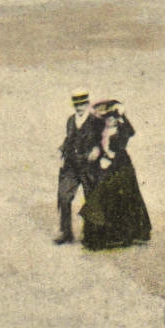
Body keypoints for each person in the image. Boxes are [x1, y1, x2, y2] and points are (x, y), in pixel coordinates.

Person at [79, 100, 151, 250]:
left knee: (119, 200)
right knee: (105, 200)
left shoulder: (122, 130)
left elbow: (131, 133)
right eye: (107, 118)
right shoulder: (102, 131)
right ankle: (102, 236)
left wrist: (123, 114)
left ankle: (124, 235)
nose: (110, 120)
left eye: (112, 117)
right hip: (108, 168)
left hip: (122, 168)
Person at [56, 89, 102, 244]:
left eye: (82, 103)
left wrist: (97, 149)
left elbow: (104, 139)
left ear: (88, 103)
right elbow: (69, 138)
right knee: (64, 196)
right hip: (71, 166)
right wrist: (62, 149)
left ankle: (92, 234)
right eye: (77, 103)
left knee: (92, 199)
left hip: (89, 166)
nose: (79, 106)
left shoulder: (96, 120)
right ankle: (66, 232)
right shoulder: (70, 120)